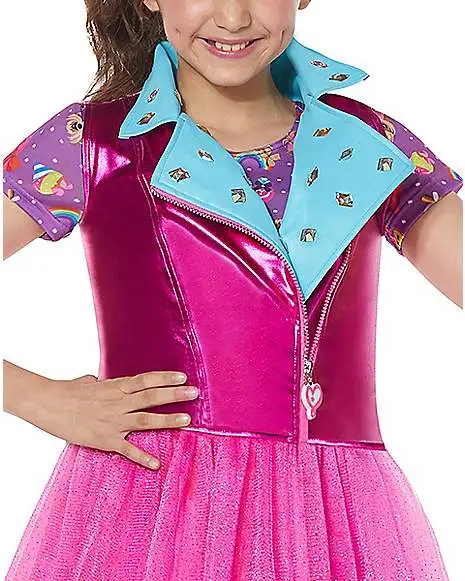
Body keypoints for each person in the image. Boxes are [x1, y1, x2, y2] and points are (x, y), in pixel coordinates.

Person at [2, 0, 463, 579]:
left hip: (338, 518)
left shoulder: (370, 145)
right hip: (153, 504)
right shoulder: (95, 146)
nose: (234, 17)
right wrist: (37, 398)